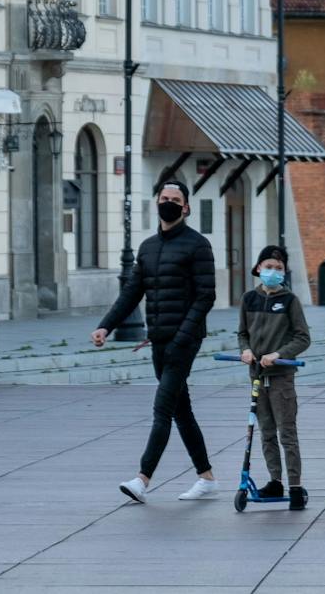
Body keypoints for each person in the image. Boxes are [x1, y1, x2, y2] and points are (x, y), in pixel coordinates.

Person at [95, 176, 219, 504]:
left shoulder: (197, 245)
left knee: (162, 407)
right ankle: (206, 477)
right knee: (182, 410)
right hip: (158, 340)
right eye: (164, 198)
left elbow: (206, 296)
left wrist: (183, 335)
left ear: (186, 207)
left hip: (184, 341)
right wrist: (106, 326)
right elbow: (132, 292)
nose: (168, 204)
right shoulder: (147, 247)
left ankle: (142, 478)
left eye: (174, 200)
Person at [238, 245, 311, 510]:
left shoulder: (289, 301)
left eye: (279, 269)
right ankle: (275, 479)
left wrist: (279, 353)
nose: (273, 272)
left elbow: (302, 337)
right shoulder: (249, 299)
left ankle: (294, 484)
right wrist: (245, 350)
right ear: (258, 268)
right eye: (269, 267)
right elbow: (242, 333)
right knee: (265, 431)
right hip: (257, 376)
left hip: (281, 376)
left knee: (286, 432)